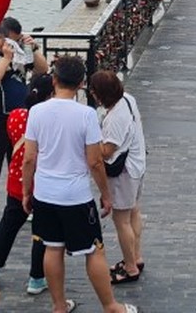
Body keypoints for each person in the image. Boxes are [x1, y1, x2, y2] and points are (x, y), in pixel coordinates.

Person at [21, 56, 137, 313]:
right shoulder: (86, 115)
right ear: (82, 83)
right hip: (75, 195)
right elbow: (95, 162)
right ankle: (110, 306)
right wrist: (106, 194)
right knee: (94, 250)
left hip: (46, 192)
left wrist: (26, 190)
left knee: (52, 248)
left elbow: (29, 158)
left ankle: (59, 305)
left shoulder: (37, 112)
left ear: (54, 80)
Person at [0, 74, 53, 297]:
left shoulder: (15, 116)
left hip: (17, 180)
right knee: (41, 232)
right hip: (42, 182)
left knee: (8, 225)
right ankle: (36, 277)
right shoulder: (49, 120)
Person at [0, 17, 47, 202]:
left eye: (18, 40)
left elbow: (42, 70)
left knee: (22, 165)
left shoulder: (22, 52)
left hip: (19, 119)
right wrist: (6, 59)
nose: (15, 46)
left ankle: (21, 203)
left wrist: (34, 49)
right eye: (12, 41)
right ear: (0, 39)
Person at [88, 70, 147, 285]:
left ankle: (130, 268)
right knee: (133, 212)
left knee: (121, 220)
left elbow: (106, 151)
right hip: (137, 165)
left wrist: (91, 137)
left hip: (123, 174)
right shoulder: (128, 100)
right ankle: (135, 257)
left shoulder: (114, 120)